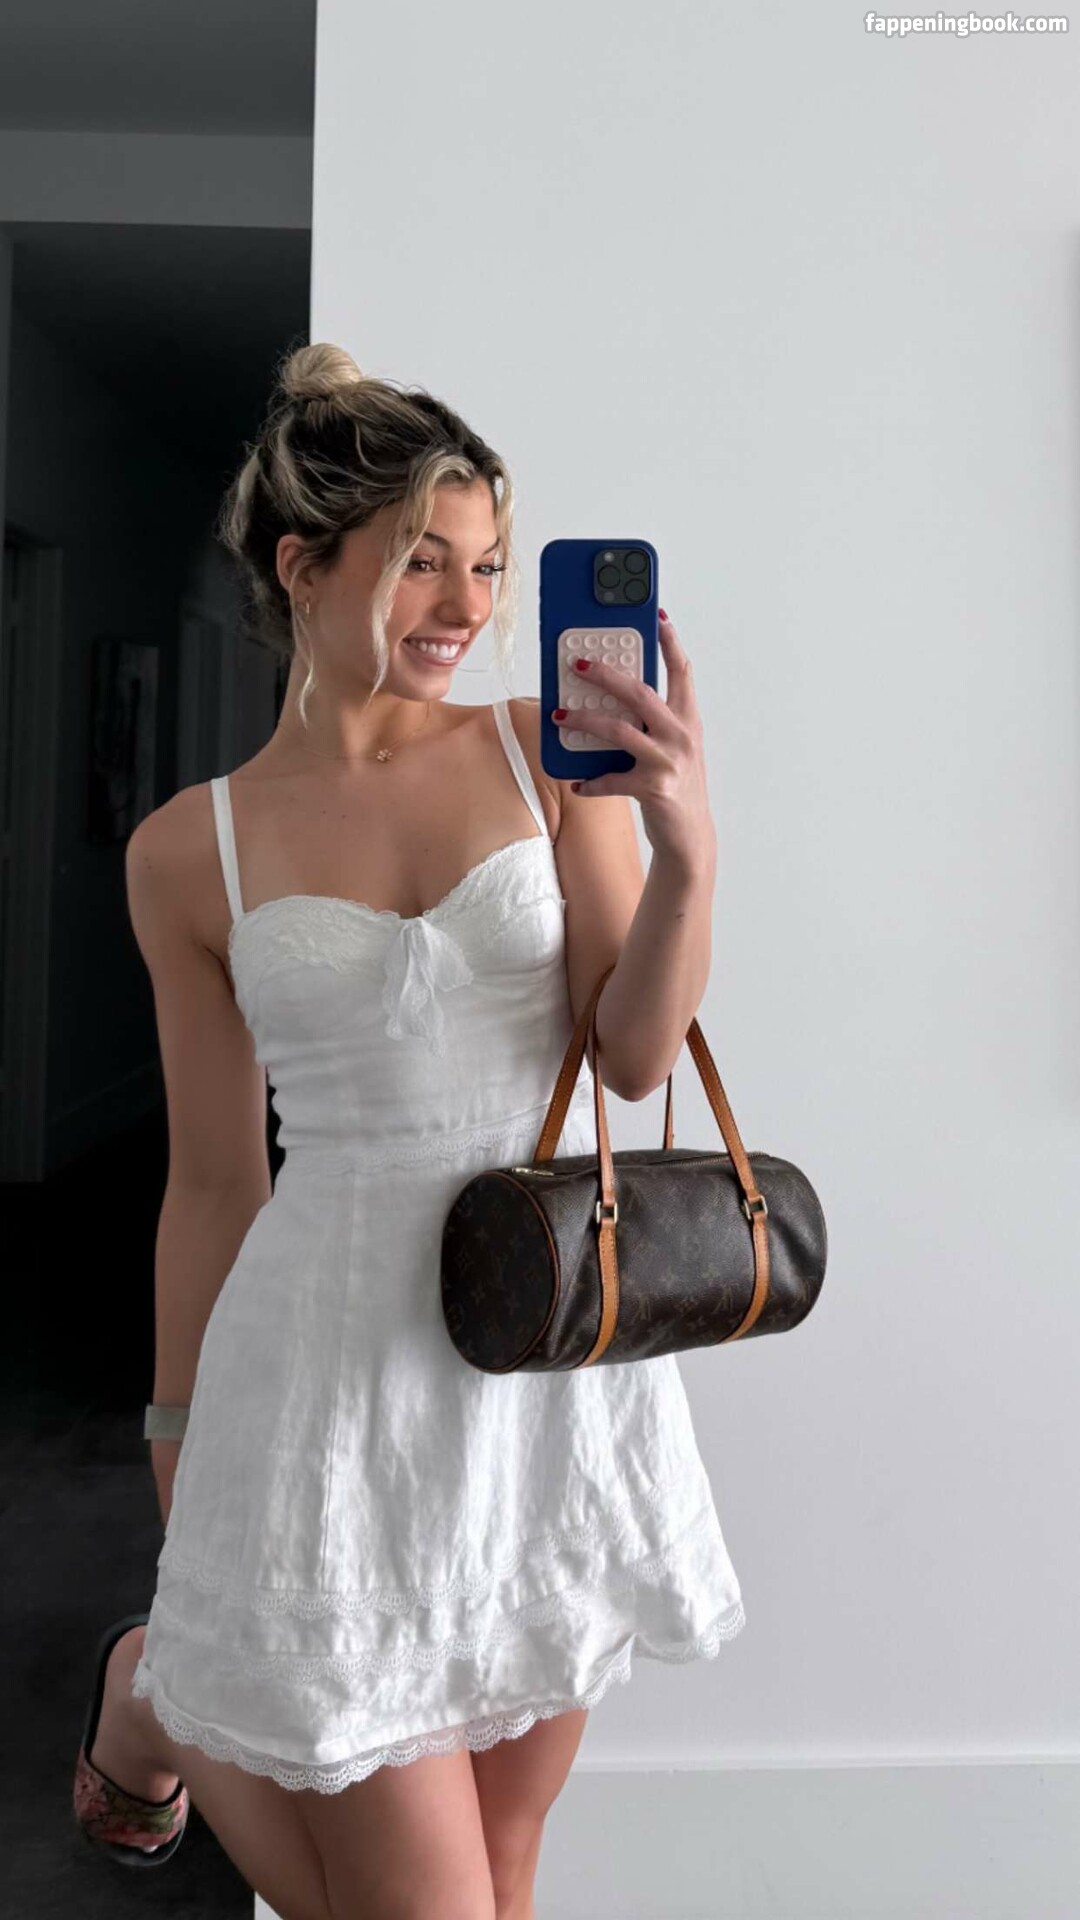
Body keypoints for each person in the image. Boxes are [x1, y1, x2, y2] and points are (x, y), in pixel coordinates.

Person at [72, 342, 746, 1920]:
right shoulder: (189, 851)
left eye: (489, 565)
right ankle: (162, 1678)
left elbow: (632, 1061)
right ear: (302, 567)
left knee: (502, 1871)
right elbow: (214, 1181)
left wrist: (688, 849)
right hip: (328, 1386)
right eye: (421, 560)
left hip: (542, 1364)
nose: (464, 604)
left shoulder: (538, 754)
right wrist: (177, 1436)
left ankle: (156, 1689)